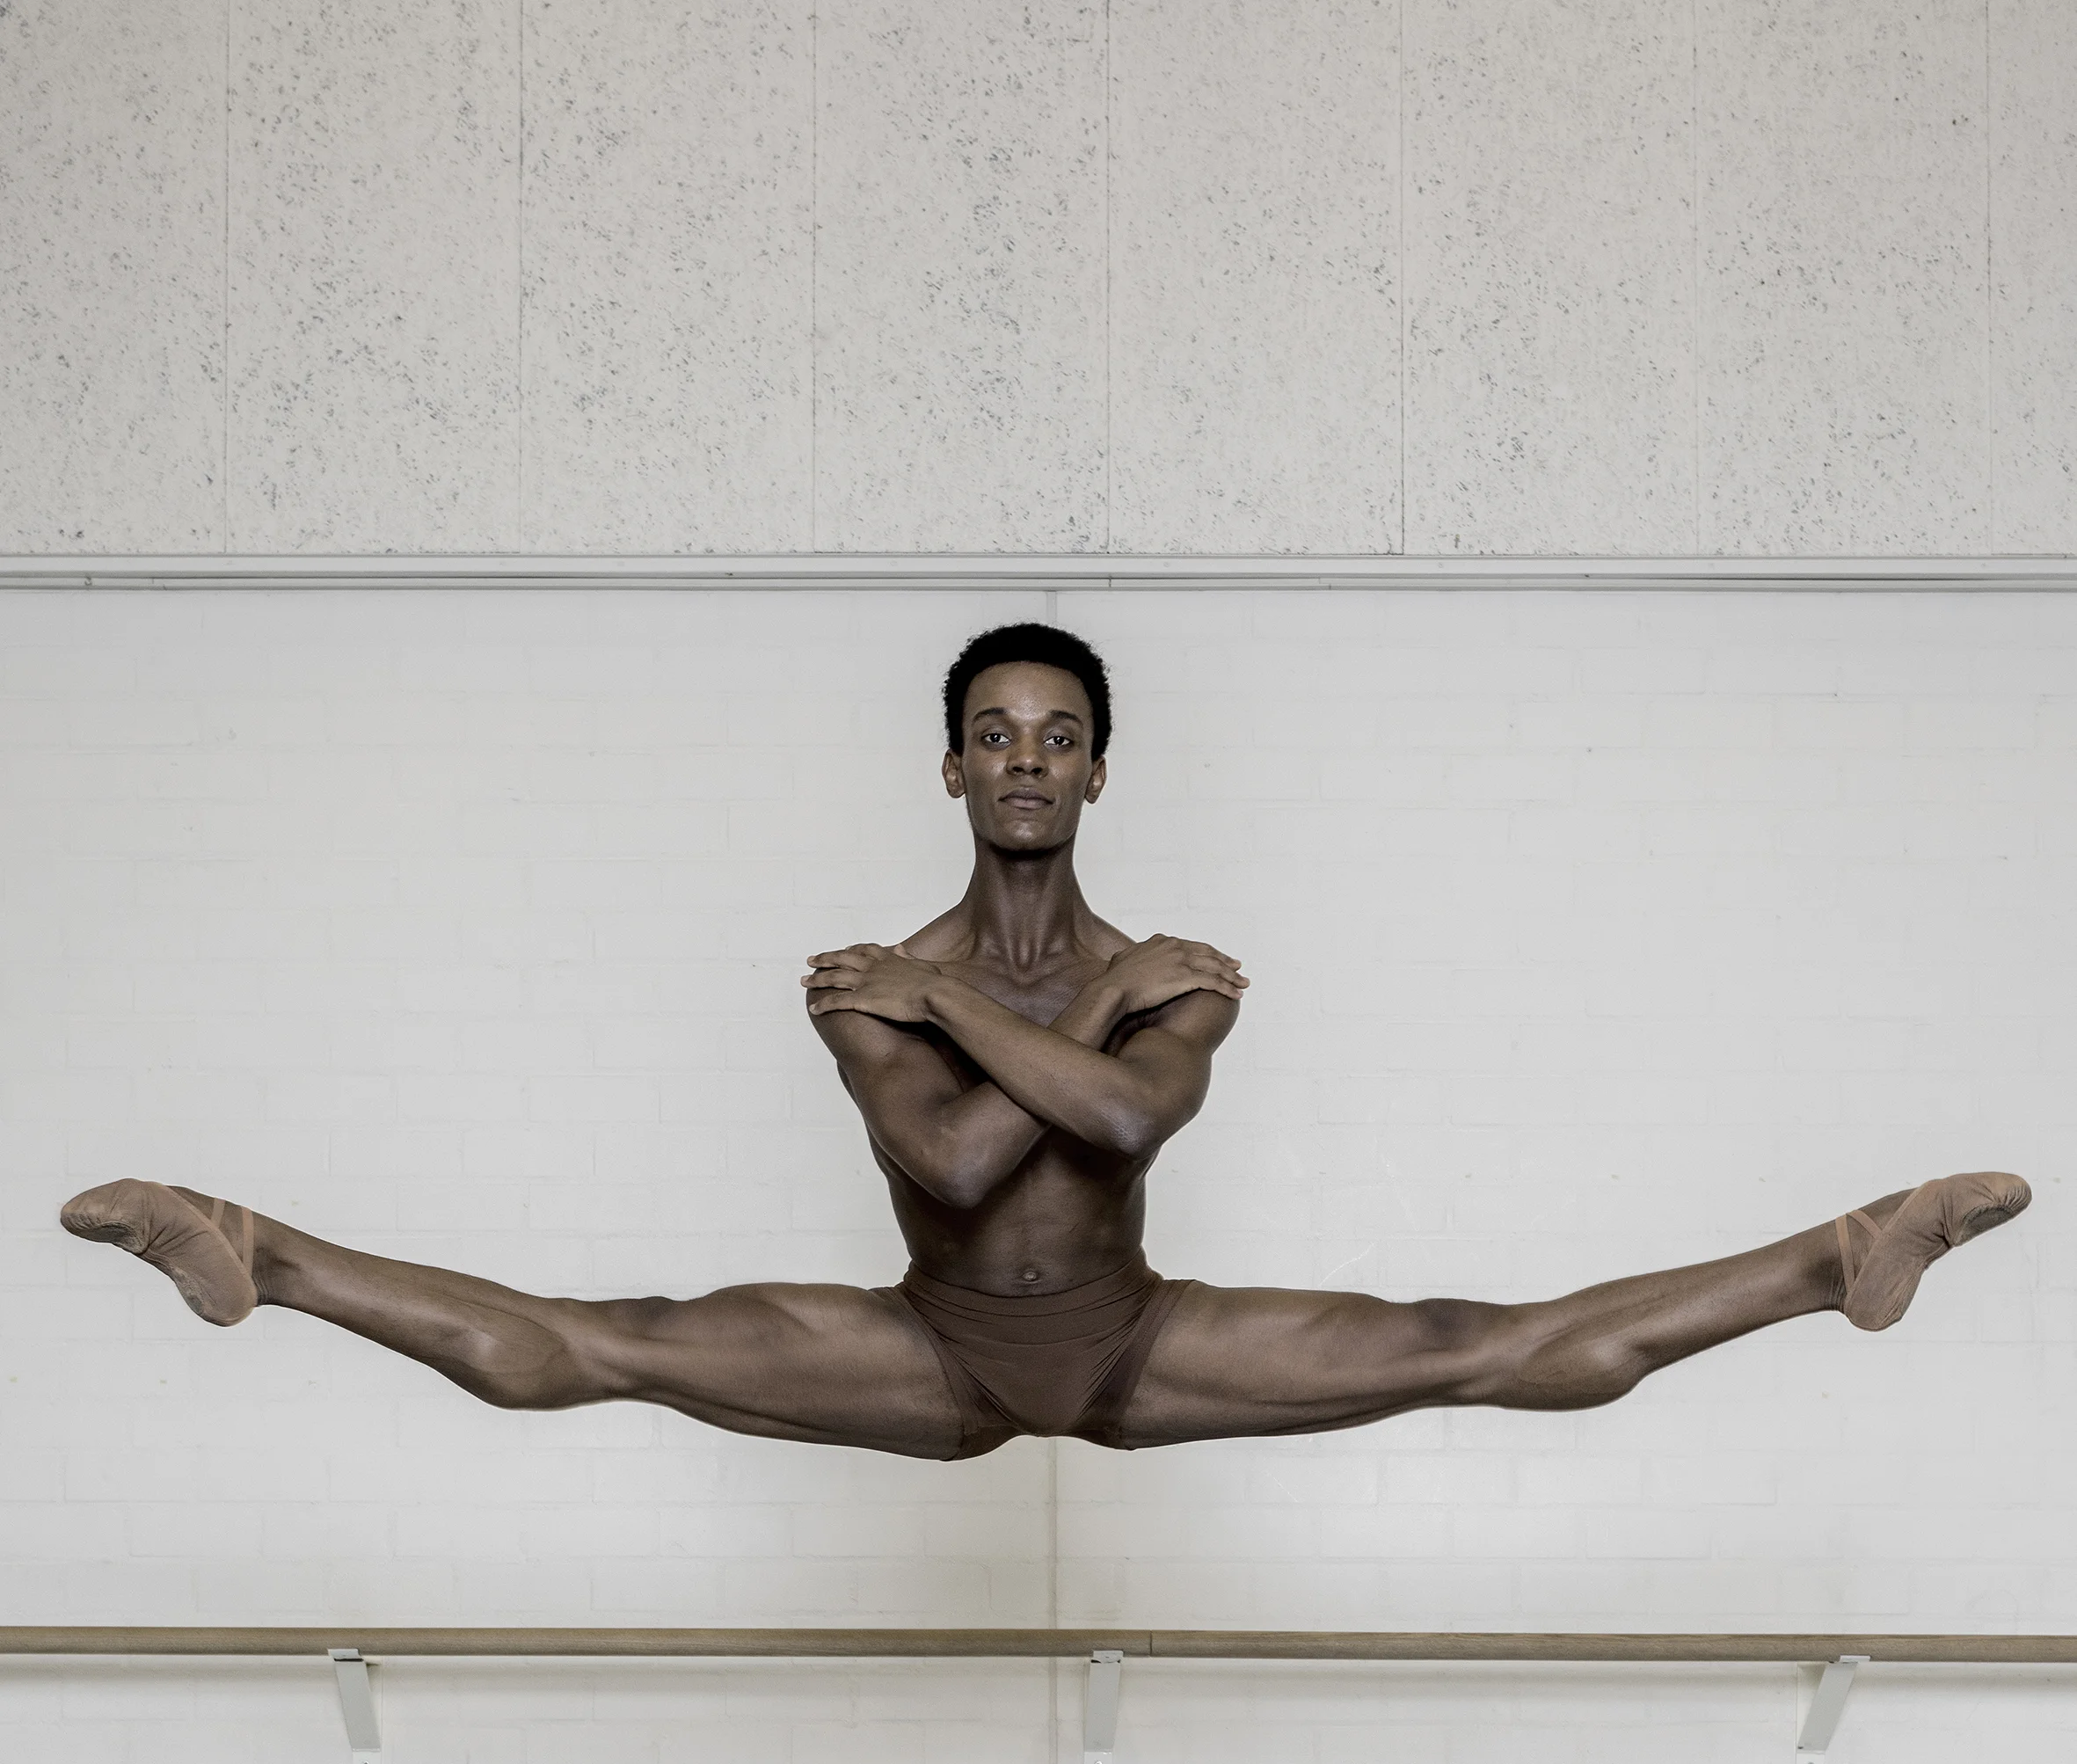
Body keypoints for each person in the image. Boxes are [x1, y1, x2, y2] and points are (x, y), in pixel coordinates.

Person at [61, 620, 2028, 1461]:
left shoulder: (1146, 980)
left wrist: (995, 1007)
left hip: (1131, 1334)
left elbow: (1125, 1126)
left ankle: (1834, 1254)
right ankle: (256, 1246)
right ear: (949, 766)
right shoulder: (890, 978)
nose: (1025, 758)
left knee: (1471, 1345)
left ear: (1096, 769)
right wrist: (1015, 1003)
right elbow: (952, 1163)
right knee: (600, 1345)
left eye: (1058, 735)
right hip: (929, 1344)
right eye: (993, 734)